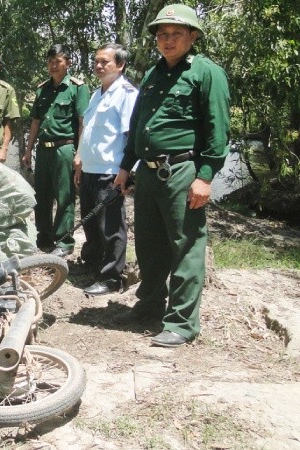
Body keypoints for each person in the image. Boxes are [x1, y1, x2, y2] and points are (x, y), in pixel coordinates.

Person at [113, 4, 230, 347]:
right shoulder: (152, 74)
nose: (167, 40)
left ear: (193, 37)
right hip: (148, 174)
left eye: (176, 34)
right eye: (162, 34)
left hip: (182, 171)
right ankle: (149, 306)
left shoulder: (207, 73)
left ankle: (181, 323)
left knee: (186, 247)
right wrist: (125, 167)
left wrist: (205, 176)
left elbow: (218, 130)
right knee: (149, 246)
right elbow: (138, 125)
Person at [74, 43, 138, 296]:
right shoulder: (96, 93)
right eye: (96, 61)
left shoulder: (126, 93)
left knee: (111, 227)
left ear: (120, 65)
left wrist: (126, 172)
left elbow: (130, 136)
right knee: (90, 222)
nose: (98, 66)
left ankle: (111, 277)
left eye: (105, 62)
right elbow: (88, 129)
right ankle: (93, 264)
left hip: (110, 171)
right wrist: (79, 157)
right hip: (90, 168)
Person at [23, 44, 90, 258]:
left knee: (64, 196)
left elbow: (83, 122)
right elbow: (35, 121)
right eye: (50, 61)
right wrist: (27, 150)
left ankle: (64, 241)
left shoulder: (77, 88)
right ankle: (43, 236)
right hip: (43, 149)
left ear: (68, 63)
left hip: (65, 147)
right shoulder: (42, 89)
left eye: (58, 61)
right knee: (41, 194)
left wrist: (79, 153)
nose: (53, 65)